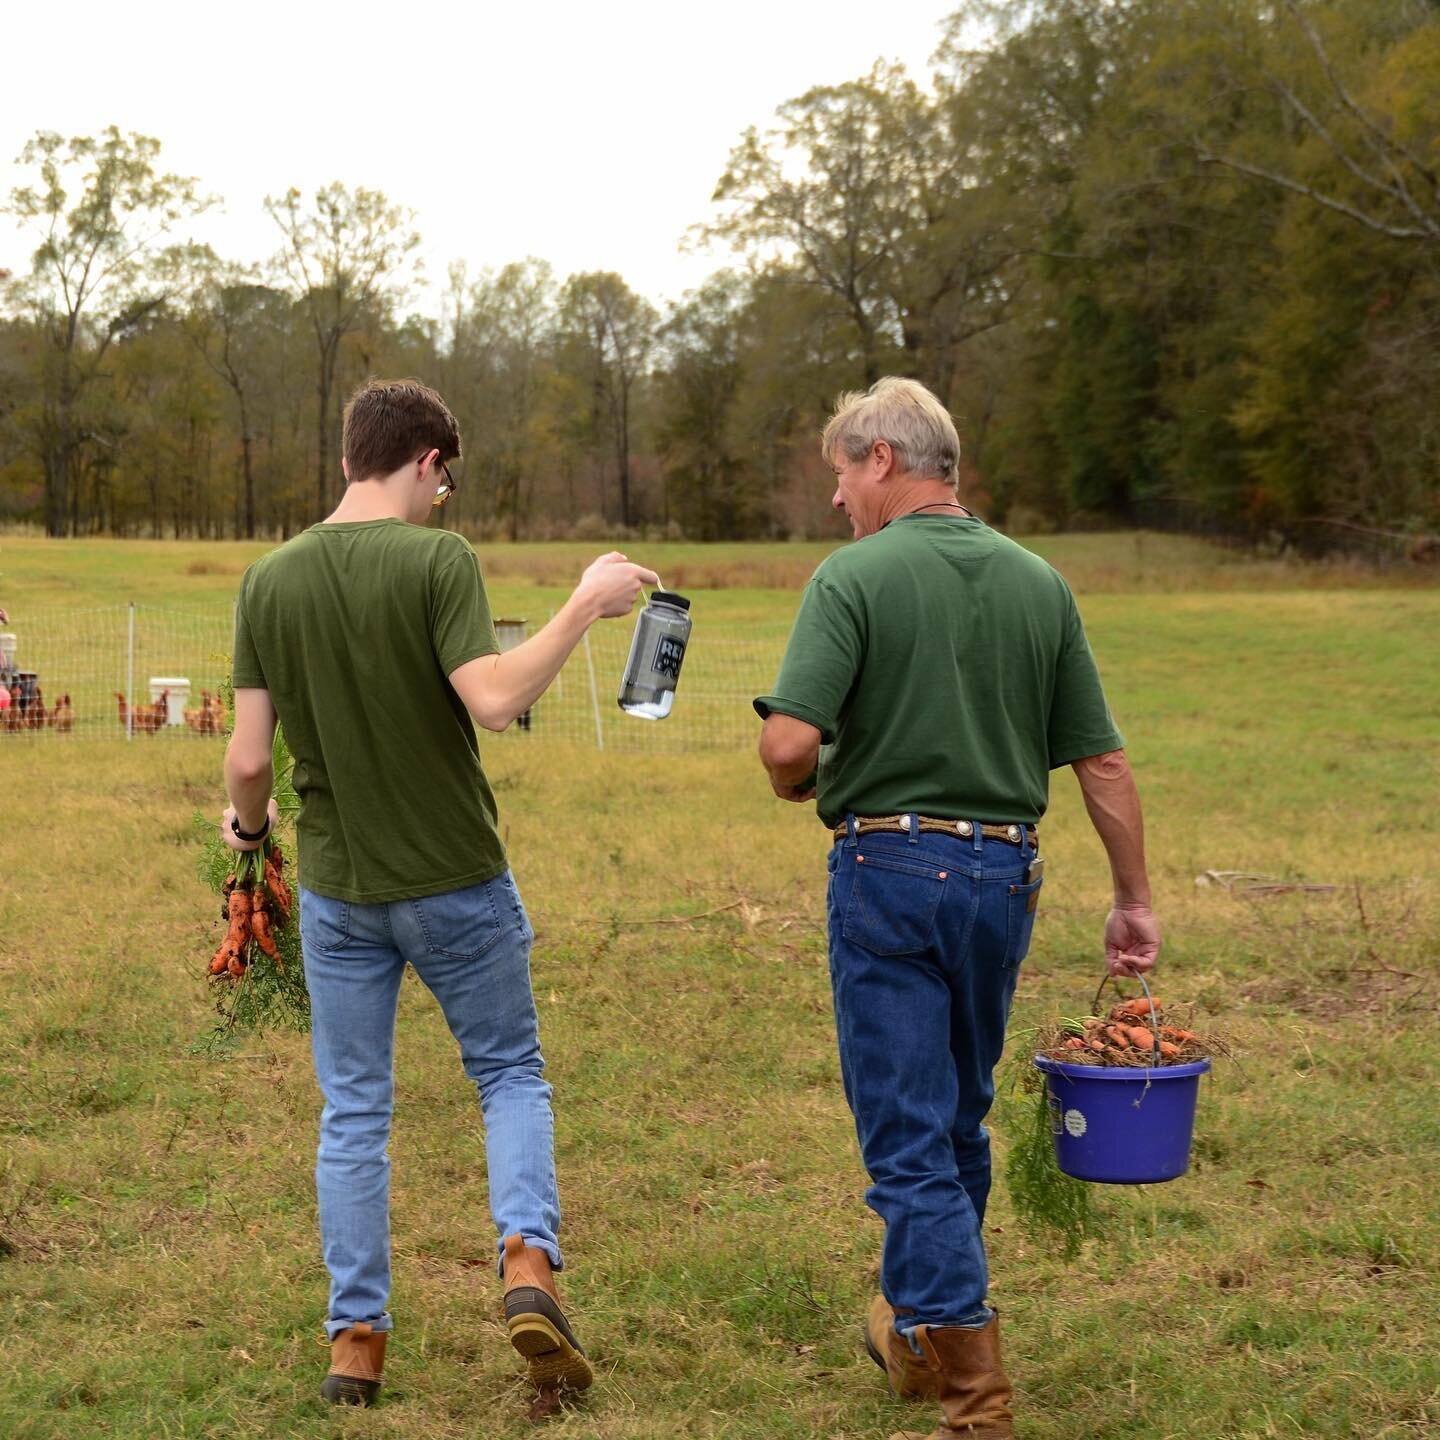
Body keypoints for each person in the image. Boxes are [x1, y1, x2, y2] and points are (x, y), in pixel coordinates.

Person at [220, 378, 658, 1408]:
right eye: (443, 481)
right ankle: (526, 1265)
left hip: (337, 892)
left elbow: (247, 762)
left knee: (354, 1112)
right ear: (423, 462)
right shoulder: (437, 560)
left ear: (345, 457)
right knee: (508, 1072)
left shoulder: (268, 579)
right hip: (456, 876)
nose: (443, 501)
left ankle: (356, 1344)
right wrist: (585, 607)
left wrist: (250, 835)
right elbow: (496, 701)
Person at [754, 377, 1160, 1440]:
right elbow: (1103, 761)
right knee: (957, 1118)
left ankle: (975, 1404)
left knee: (906, 1142)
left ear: (883, 459)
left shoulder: (852, 579)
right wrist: (1133, 900)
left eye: (844, 471)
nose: (839, 496)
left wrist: (816, 770)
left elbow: (787, 746)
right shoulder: (1041, 583)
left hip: (889, 873)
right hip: (1004, 877)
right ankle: (920, 1335)